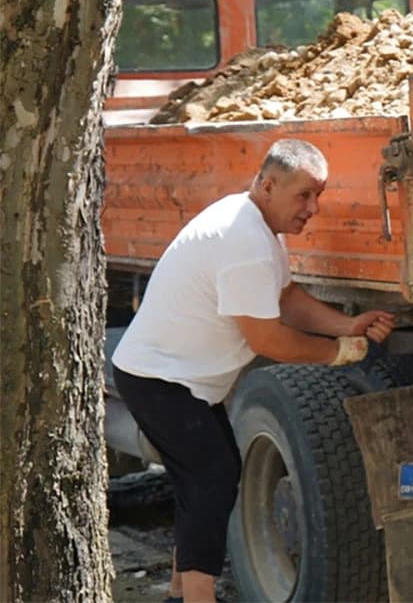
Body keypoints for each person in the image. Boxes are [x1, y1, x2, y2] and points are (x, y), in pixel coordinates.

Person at [111, 138, 394, 603]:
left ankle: (182, 592)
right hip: (158, 379)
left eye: (318, 195)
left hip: (176, 379)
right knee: (213, 475)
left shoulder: (254, 226)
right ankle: (197, 596)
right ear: (268, 184)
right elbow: (269, 341)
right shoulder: (244, 241)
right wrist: (341, 352)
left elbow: (285, 298)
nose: (314, 208)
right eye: (304, 195)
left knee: (205, 476)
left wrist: (347, 323)